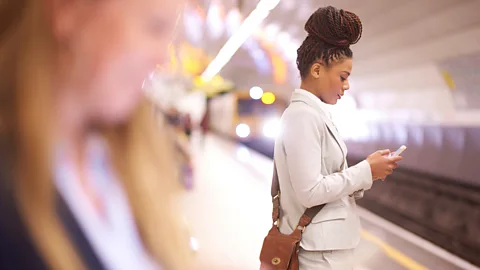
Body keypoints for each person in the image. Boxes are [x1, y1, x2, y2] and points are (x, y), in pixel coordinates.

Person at [0, 0, 191, 269]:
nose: (162, 59)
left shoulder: (120, 164)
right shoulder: (12, 197)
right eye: (154, 27)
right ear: (67, 10)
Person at [274, 6, 403, 270]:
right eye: (343, 77)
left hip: (325, 251)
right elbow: (310, 191)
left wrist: (368, 171)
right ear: (318, 70)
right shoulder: (303, 117)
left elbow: (324, 178)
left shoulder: (314, 114)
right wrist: (365, 170)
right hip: (316, 256)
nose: (347, 86)